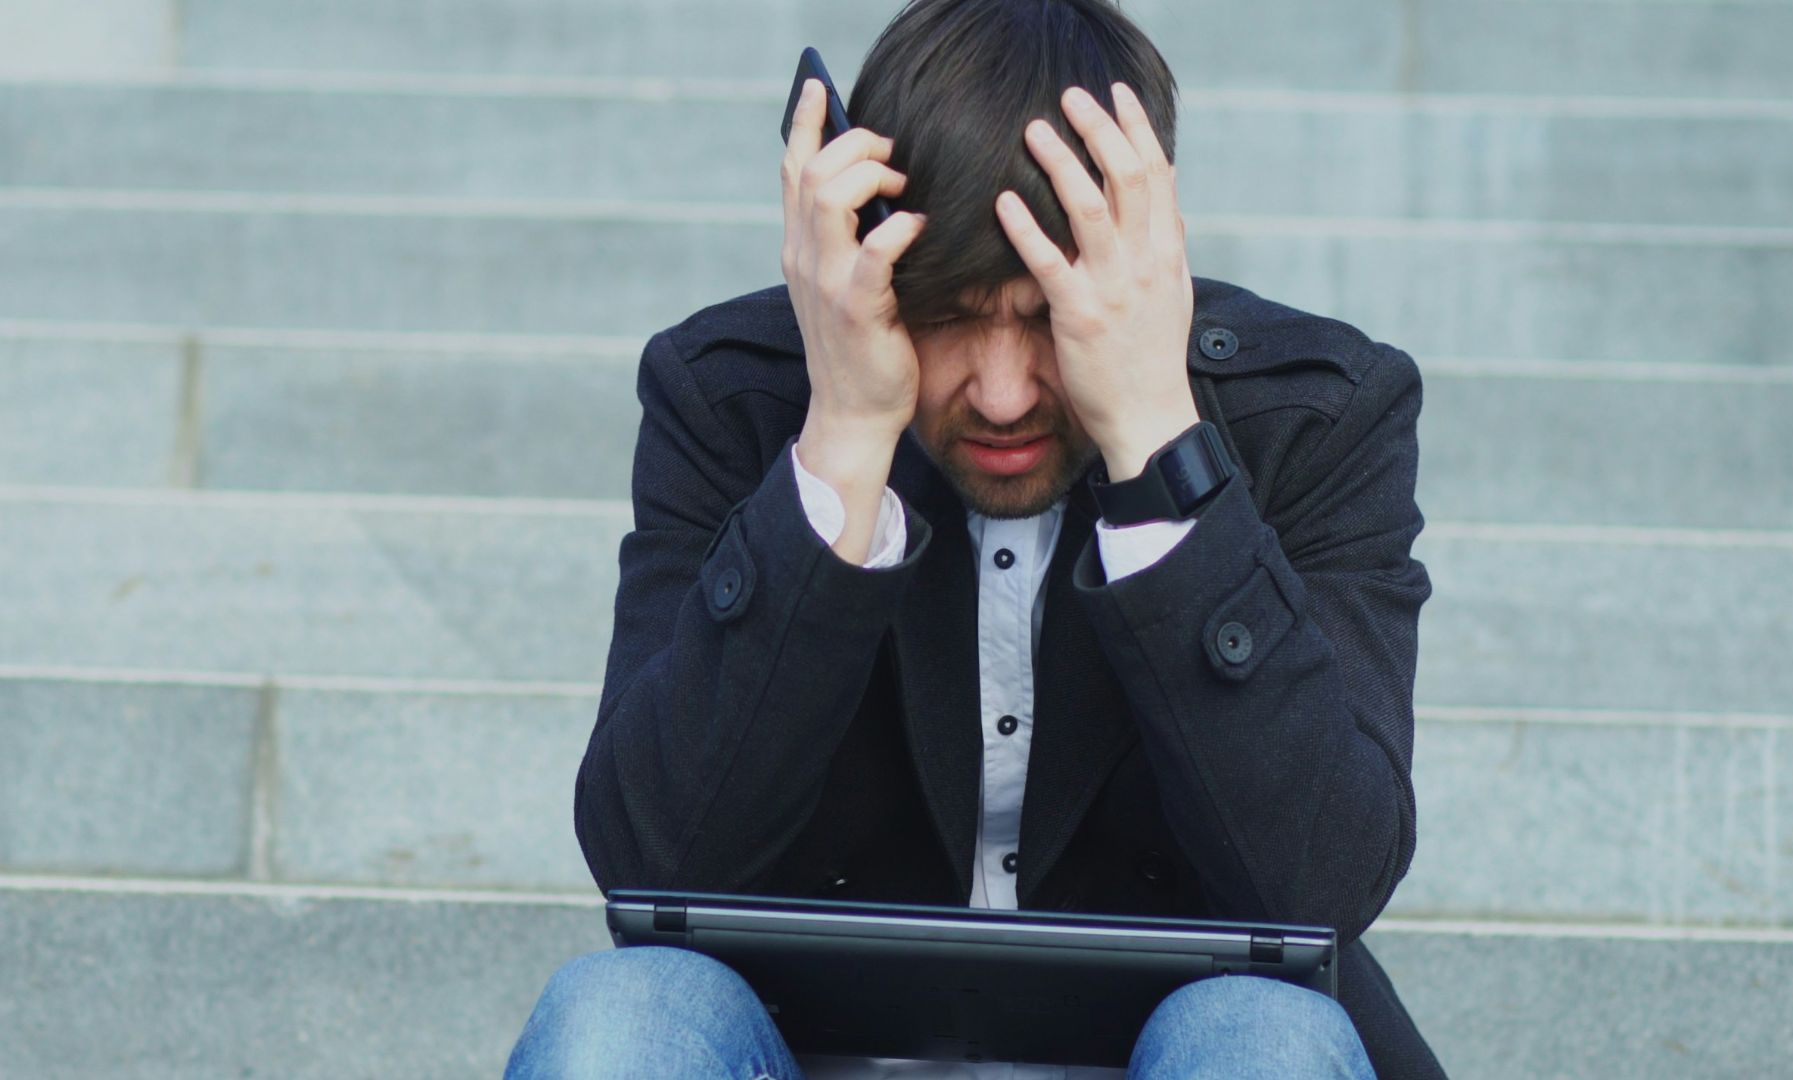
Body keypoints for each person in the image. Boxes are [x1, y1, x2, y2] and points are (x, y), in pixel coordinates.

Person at [507, 0, 1444, 1076]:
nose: (1002, 395)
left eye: (1049, 313)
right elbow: (653, 862)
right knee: (616, 1018)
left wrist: (1154, 442)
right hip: (804, 1046)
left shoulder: (1316, 420)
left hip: (1179, 1047)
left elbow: (1324, 885)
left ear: (1143, 261)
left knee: (1263, 1040)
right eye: (948, 311)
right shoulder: (732, 398)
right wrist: (845, 438)